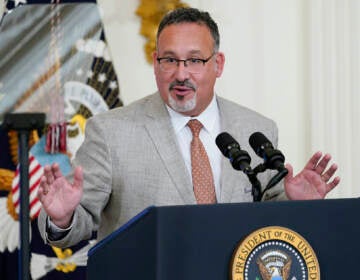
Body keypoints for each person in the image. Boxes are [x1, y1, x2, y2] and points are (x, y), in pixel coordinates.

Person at [37, 7, 340, 248]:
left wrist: (296, 205)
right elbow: (75, 224)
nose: (181, 74)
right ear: (156, 63)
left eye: (194, 60)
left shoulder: (256, 129)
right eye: (170, 60)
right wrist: (62, 217)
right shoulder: (111, 132)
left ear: (218, 64)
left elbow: (267, 217)